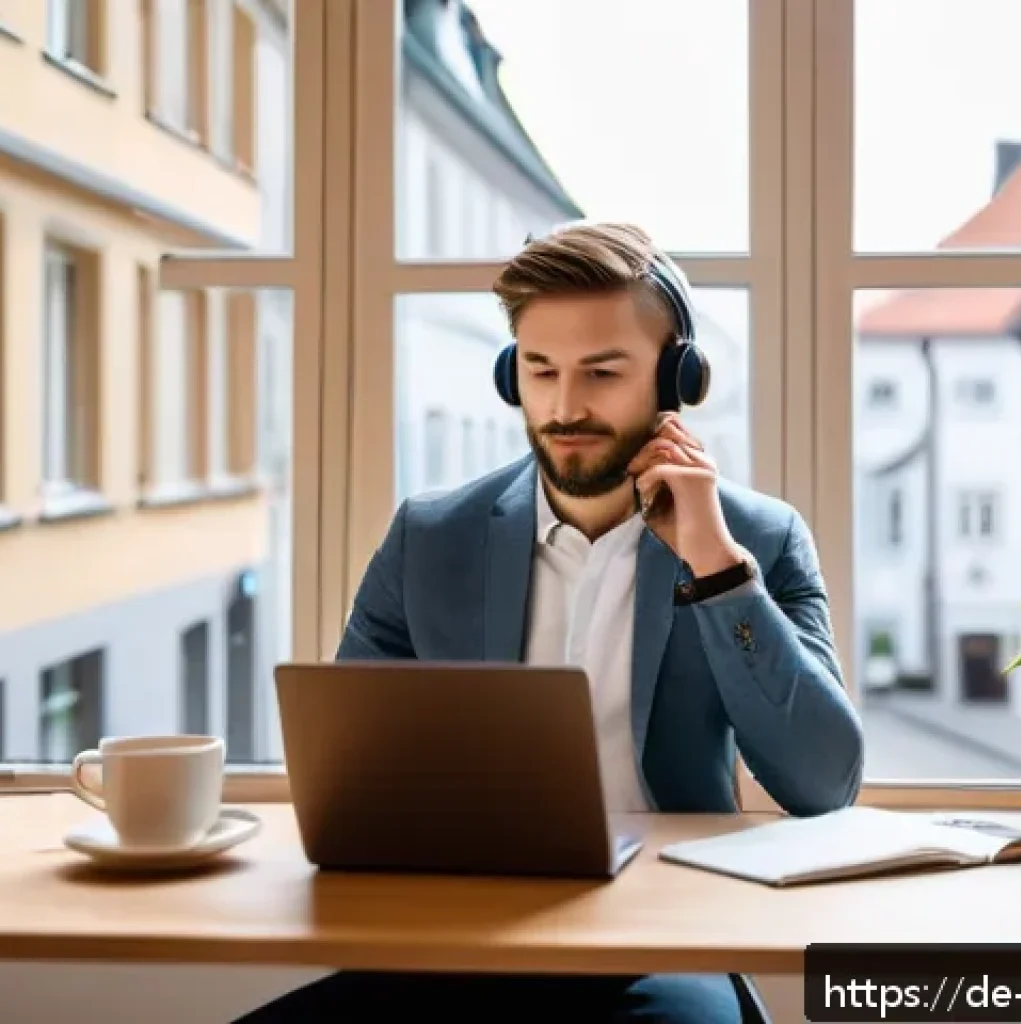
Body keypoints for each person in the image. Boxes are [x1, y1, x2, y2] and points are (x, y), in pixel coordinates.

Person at [238, 221, 864, 1023]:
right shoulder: (430, 537)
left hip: (661, 945)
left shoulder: (759, 539)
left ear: (678, 380)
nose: (565, 407)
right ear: (512, 376)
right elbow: (345, 779)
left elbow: (824, 785)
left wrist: (717, 569)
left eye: (602, 373)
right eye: (540, 371)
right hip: (459, 945)